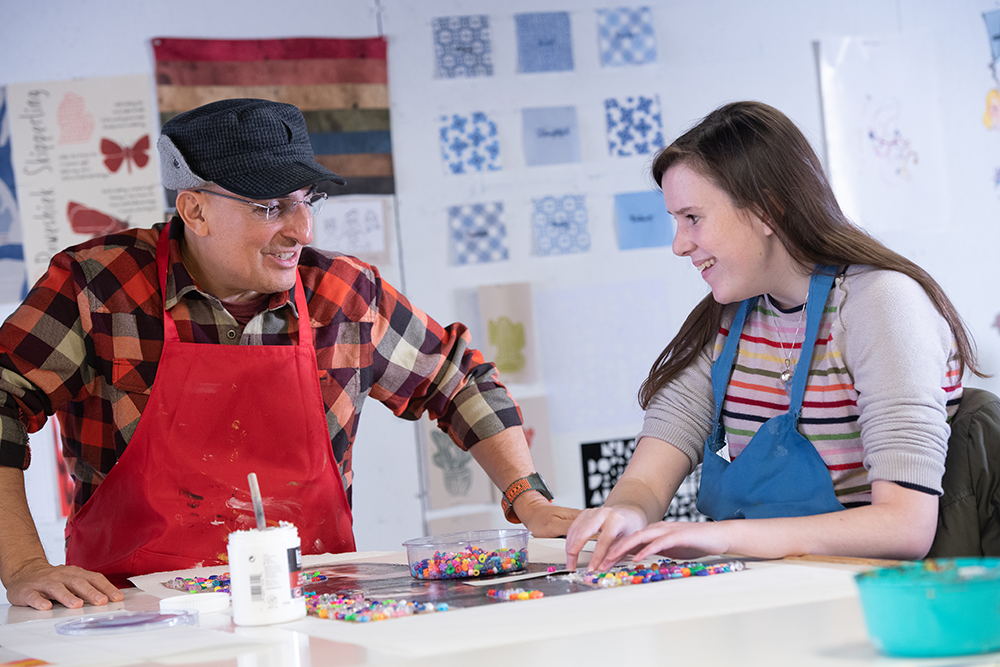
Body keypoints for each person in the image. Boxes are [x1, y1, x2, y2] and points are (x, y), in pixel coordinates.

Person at [0, 98, 578, 610]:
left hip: (309, 608)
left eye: (307, 200)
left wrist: (528, 499)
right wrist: (24, 566)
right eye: (270, 207)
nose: (301, 229)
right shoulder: (97, 287)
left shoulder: (345, 296)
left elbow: (458, 379)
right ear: (194, 210)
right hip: (131, 614)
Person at [565, 100, 981, 571]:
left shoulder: (880, 304)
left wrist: (723, 538)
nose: (679, 244)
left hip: (869, 600)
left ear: (767, 210)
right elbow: (646, 482)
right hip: (769, 588)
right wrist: (626, 513)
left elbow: (905, 526)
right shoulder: (729, 318)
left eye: (692, 218)